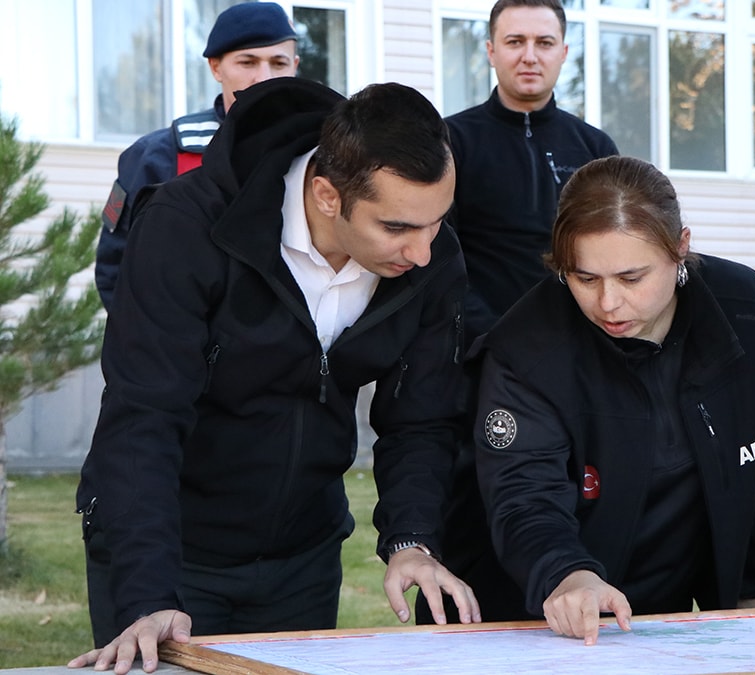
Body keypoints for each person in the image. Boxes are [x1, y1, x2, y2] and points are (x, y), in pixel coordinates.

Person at [71, 78, 480, 675]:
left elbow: (420, 418)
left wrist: (411, 539)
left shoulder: (432, 258)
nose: (423, 253)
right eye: (396, 229)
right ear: (325, 195)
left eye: (437, 222)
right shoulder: (186, 226)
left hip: (303, 554)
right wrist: (147, 595)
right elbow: (144, 417)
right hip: (168, 550)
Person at [450, 155, 755, 644]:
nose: (608, 303)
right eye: (584, 278)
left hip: (661, 616)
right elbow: (523, 495)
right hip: (531, 616)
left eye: (632, 278)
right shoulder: (525, 349)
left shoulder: (740, 304)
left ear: (681, 248)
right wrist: (568, 574)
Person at [95, 2, 300, 311]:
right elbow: (117, 270)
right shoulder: (157, 157)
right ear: (216, 68)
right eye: (247, 62)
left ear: (295, 66)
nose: (264, 78)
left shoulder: (322, 154)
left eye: (279, 63)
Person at [446, 0, 618, 344]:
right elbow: (438, 255)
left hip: (577, 344)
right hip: (475, 348)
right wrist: (490, 334)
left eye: (544, 42)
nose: (529, 56)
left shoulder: (595, 148)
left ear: (564, 51)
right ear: (491, 51)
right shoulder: (449, 141)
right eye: (515, 42)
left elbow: (614, 252)